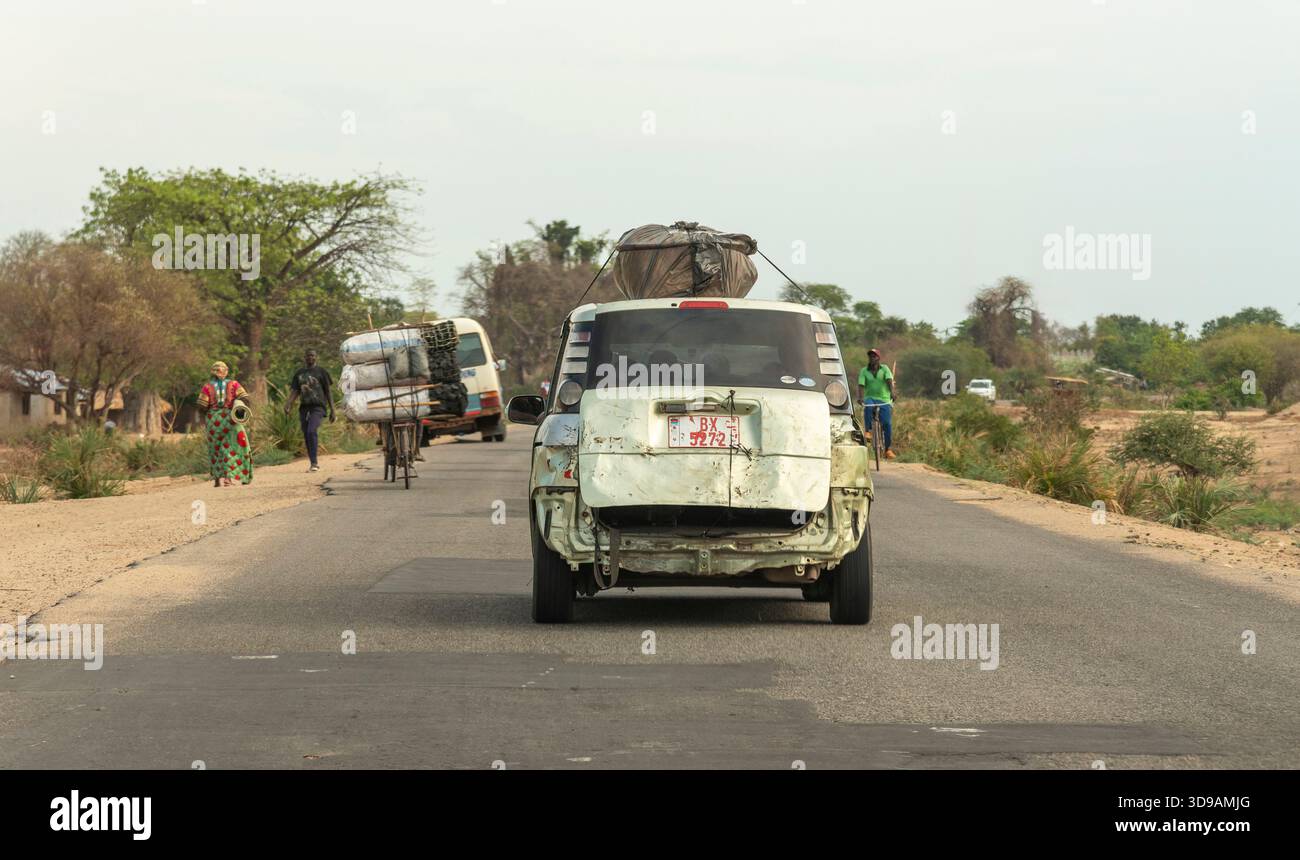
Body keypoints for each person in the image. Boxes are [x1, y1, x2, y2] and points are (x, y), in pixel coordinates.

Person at [197, 360, 253, 487]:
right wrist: (237, 406)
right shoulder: (234, 384)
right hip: (231, 419)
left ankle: (217, 478)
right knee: (236, 446)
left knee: (215, 448)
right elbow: (245, 399)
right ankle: (232, 477)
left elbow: (202, 406)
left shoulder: (207, 387)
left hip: (213, 421)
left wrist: (211, 414)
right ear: (226, 371)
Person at [284, 349, 335, 472]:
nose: (310, 358)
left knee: (312, 430)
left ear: (316, 357)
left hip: (318, 407)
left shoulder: (322, 372)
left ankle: (315, 463)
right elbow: (295, 391)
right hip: (304, 407)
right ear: (304, 357)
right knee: (306, 433)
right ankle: (313, 462)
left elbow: (328, 391)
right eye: (308, 356)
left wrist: (333, 410)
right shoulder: (299, 373)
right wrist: (288, 404)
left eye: (312, 355)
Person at [856, 348, 897, 459]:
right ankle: (868, 431)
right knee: (868, 407)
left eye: (874, 356)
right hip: (870, 397)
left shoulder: (885, 369)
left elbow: (889, 381)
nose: (872, 358)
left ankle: (888, 449)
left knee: (887, 424)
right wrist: (860, 397)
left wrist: (892, 393)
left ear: (879, 358)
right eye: (870, 356)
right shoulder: (864, 371)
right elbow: (861, 385)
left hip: (884, 399)